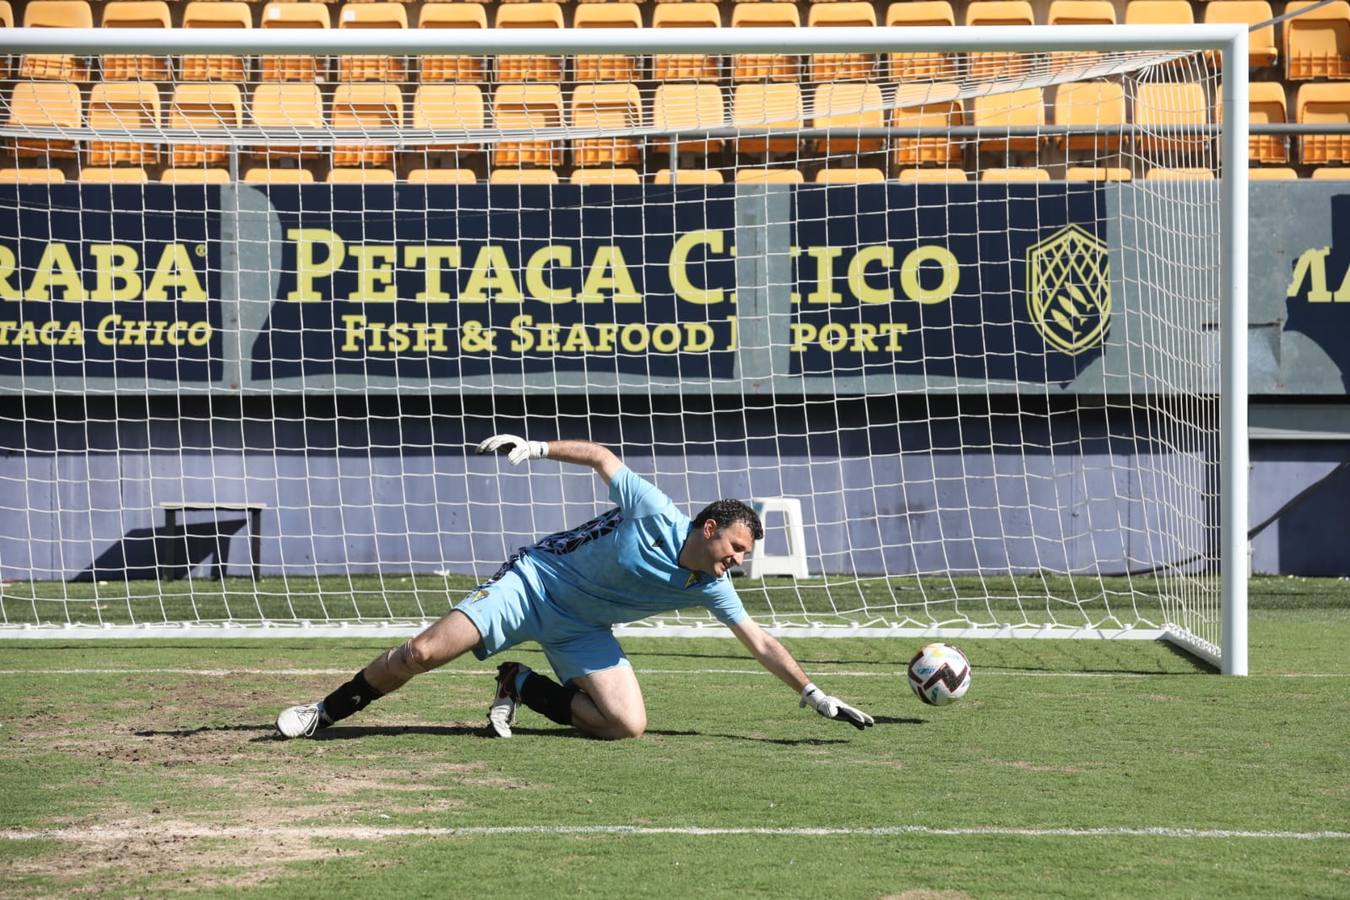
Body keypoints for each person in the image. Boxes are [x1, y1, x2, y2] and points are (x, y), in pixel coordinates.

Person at [275, 435, 874, 740]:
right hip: (533, 583)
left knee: (624, 726)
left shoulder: (709, 586)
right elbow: (603, 457)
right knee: (419, 654)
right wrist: (535, 448)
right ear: (710, 528)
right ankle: (323, 712)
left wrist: (814, 694)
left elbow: (761, 641)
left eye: (745, 556)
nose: (739, 562)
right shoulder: (656, 512)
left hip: (583, 629)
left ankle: (522, 684)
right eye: (737, 548)